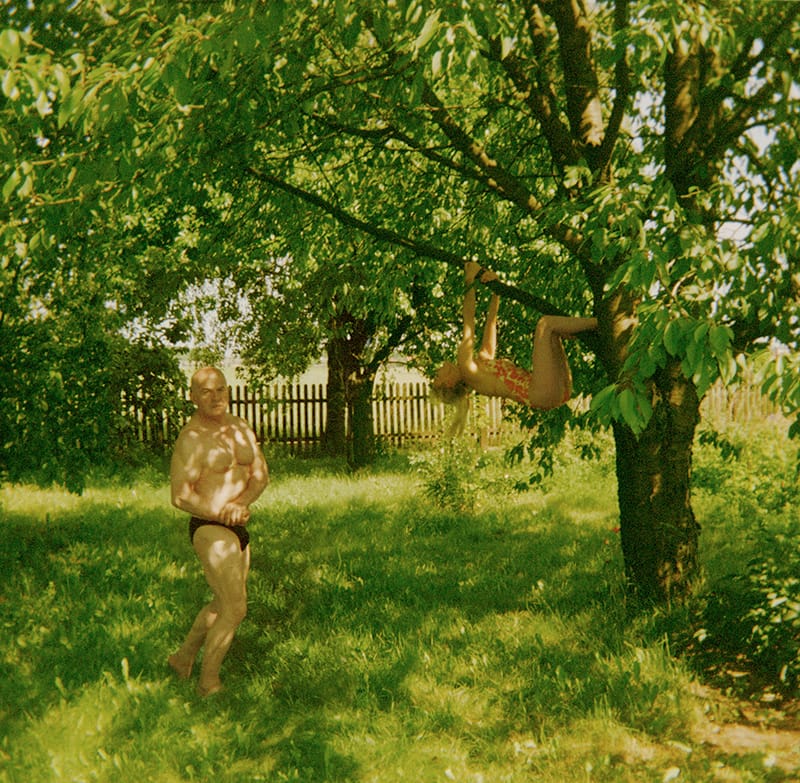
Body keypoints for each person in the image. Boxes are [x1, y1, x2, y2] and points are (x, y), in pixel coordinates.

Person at [167, 366, 269, 696]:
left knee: (221, 603)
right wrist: (223, 514)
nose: (216, 397)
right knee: (236, 608)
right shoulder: (192, 439)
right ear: (193, 397)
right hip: (210, 527)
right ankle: (208, 683)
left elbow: (260, 475)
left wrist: (240, 504)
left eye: (221, 389)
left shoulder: (240, 428)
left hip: (237, 524)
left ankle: (182, 659)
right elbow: (180, 496)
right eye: (206, 392)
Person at [432, 261, 597, 433]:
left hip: (553, 391)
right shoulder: (467, 369)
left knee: (554, 332)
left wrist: (496, 290)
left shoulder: (481, 366)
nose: (438, 370)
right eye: (437, 377)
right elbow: (468, 320)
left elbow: (491, 322)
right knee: (545, 325)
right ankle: (602, 322)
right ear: (449, 383)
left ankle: (594, 326)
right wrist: (469, 279)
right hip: (542, 393)